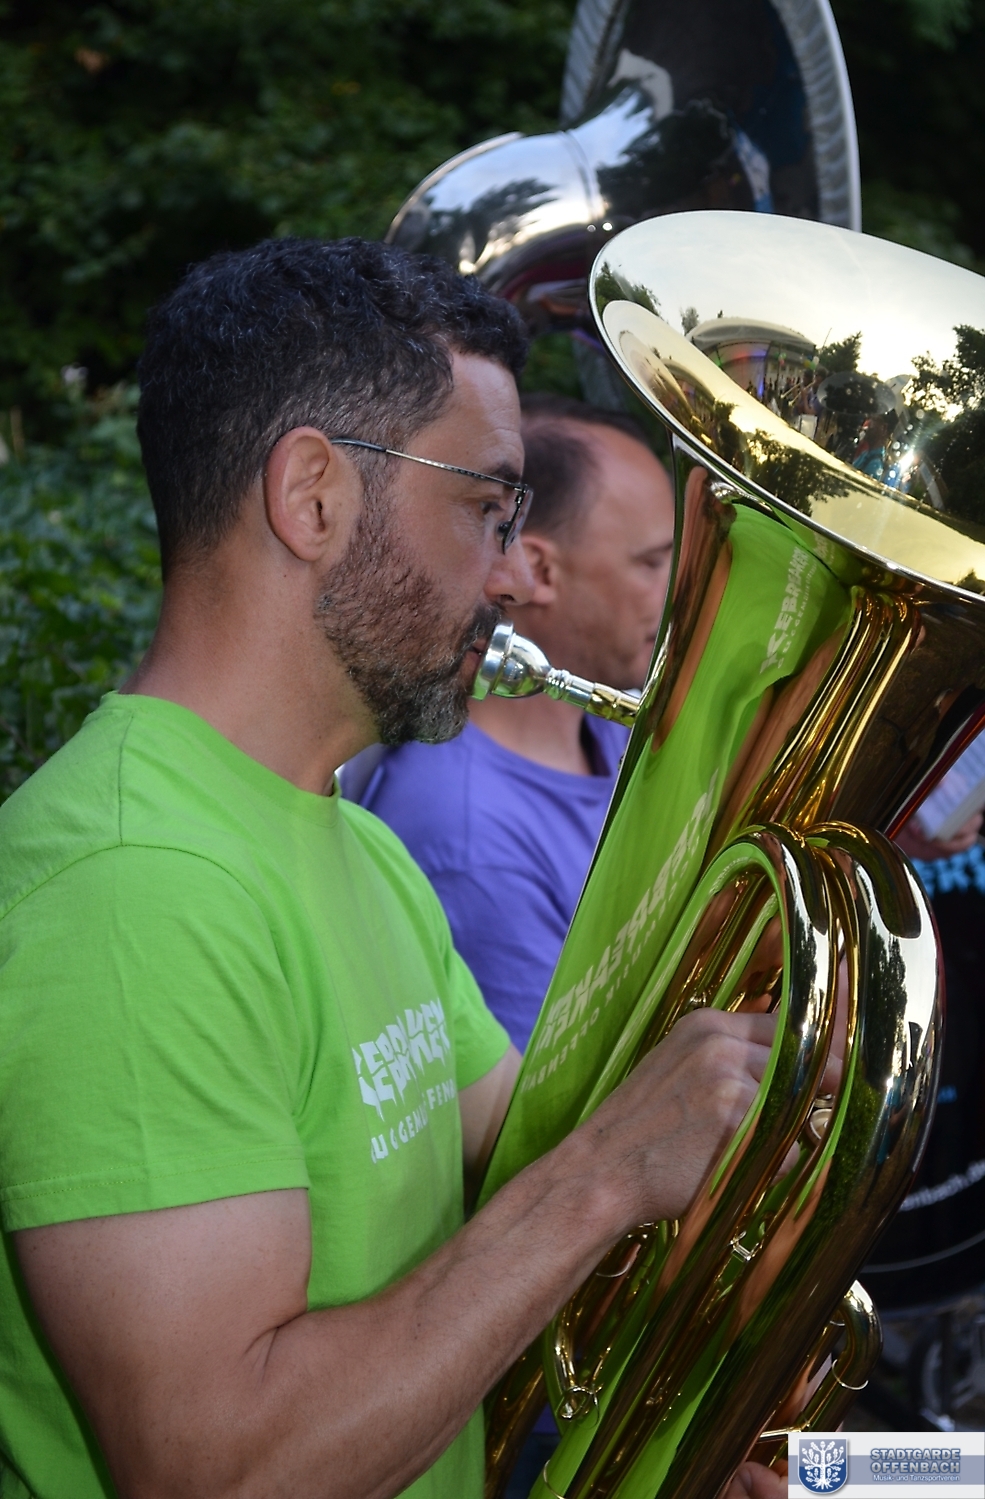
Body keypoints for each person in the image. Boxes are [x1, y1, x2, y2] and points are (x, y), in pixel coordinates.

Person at [0, 237, 792, 1499]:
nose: (510, 576)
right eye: (486, 509)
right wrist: (604, 1174)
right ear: (312, 495)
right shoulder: (132, 886)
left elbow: (514, 1152)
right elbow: (223, 1470)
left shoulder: (353, 839)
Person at [358, 394, 675, 1051]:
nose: (675, 588)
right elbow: (549, 1107)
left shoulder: (611, 725)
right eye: (650, 563)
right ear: (539, 569)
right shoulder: (469, 838)